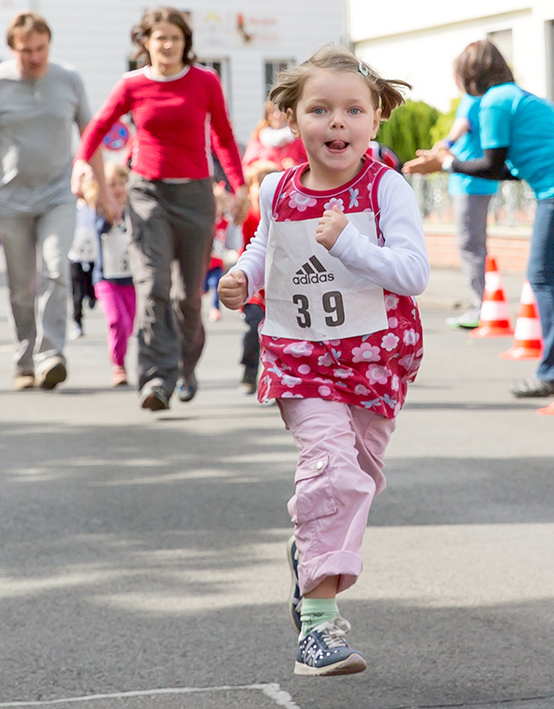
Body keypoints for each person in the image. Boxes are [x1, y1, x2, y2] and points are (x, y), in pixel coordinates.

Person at [218, 47, 427, 676]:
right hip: (300, 359)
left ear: (375, 120)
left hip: (374, 361)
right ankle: (318, 627)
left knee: (356, 480)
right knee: (332, 475)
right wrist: (241, 276)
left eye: (352, 111)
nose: (337, 122)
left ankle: (309, 554)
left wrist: (352, 243)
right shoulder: (276, 187)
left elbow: (413, 272)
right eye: (320, 109)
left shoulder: (385, 186)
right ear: (289, 116)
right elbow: (265, 246)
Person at [405, 41, 554, 398]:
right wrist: (447, 162)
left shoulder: (494, 102)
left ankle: (552, 372)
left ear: (469, 76)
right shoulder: (518, 96)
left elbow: (492, 167)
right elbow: (510, 169)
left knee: (542, 276)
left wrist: (444, 164)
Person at [75, 6, 247, 411]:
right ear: (145, 42)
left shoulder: (205, 81)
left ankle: (185, 368)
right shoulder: (132, 84)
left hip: (195, 196)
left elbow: (222, 135)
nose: (167, 44)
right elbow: (97, 126)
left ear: (185, 43)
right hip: (147, 193)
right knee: (152, 286)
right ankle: (155, 379)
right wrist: (84, 164)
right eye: (159, 37)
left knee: (188, 297)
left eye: (174, 37)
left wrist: (239, 186)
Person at [0, 11, 113, 391]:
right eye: (27, 50)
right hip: (11, 199)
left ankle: (50, 356)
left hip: (58, 195)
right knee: (21, 286)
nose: (35, 57)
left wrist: (104, 190)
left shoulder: (69, 79)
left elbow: (89, 134)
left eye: (41, 49)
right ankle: (24, 360)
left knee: (55, 270)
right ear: (12, 48)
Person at [433, 82, 500, 330]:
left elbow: (461, 126)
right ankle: (483, 304)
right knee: (476, 244)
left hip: (469, 182)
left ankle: (480, 307)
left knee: (470, 244)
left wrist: (446, 144)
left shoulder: (472, 99)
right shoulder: (489, 100)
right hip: (479, 181)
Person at [88, 164, 137, 386]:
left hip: (131, 278)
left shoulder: (137, 208)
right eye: (110, 185)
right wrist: (109, 214)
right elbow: (94, 232)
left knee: (128, 324)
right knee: (117, 320)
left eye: (120, 183)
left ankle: (118, 350)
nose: (117, 189)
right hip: (106, 278)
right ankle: (118, 365)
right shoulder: (98, 209)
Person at [236, 160, 282, 394]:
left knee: (278, 336)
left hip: (282, 289)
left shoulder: (286, 215)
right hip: (255, 289)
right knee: (254, 329)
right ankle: (249, 371)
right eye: (260, 183)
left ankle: (276, 378)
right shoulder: (247, 218)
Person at [241, 100, 308, 169]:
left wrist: (296, 166)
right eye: (272, 112)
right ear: (267, 116)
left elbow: (309, 163)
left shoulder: (296, 137)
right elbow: (247, 166)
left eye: (280, 111)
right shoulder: (259, 139)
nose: (277, 115)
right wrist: (262, 168)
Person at [68, 194, 98, 340]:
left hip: (94, 255)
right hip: (75, 255)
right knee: (77, 291)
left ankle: (92, 297)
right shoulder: (72, 208)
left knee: (91, 285)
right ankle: (77, 322)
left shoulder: (96, 207)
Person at [205, 183, 233, 323]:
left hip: (217, 263)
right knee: (200, 289)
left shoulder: (225, 222)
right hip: (203, 263)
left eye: (218, 204)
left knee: (216, 285)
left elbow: (231, 239)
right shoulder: (204, 222)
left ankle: (215, 308)